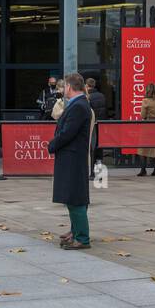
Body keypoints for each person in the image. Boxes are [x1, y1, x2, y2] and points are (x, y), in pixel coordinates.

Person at [48, 72, 93, 249]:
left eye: (64, 86)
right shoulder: (78, 104)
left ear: (69, 87)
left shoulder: (79, 106)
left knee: (75, 199)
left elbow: (67, 133)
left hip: (72, 159)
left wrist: (52, 145)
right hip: (72, 158)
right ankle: (76, 232)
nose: (62, 89)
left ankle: (82, 238)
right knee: (73, 198)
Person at [137, 82, 155, 176]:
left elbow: (142, 115)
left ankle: (143, 170)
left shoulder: (145, 101)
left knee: (143, 148)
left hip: (147, 126)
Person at [85, 77, 107, 166]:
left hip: (92, 123)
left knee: (91, 142)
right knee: (99, 142)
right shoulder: (101, 95)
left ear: (87, 85)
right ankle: (99, 160)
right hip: (101, 123)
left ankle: (92, 161)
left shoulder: (87, 97)